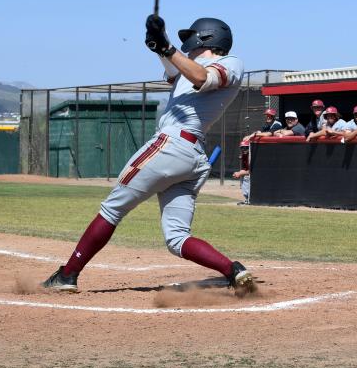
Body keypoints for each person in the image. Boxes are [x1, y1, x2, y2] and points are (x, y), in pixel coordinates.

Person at [42, 15, 255, 295]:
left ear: (206, 38)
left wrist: (167, 47)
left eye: (191, 38)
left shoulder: (230, 63)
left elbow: (202, 77)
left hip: (172, 145)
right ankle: (233, 271)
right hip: (189, 156)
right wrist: (158, 44)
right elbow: (173, 72)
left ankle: (68, 274)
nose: (186, 44)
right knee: (177, 238)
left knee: (111, 209)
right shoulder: (188, 66)